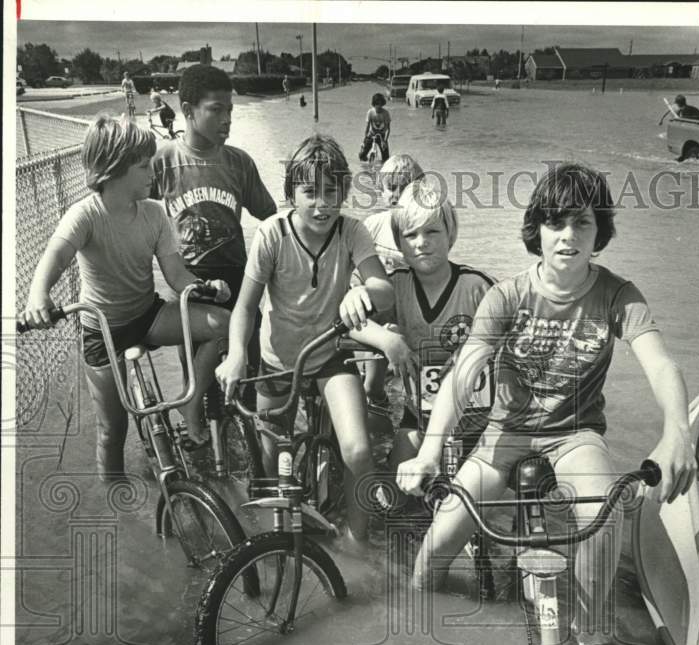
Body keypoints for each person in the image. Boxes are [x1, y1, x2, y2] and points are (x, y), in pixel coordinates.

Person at [396, 162, 697, 645]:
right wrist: (428, 451)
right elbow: (462, 376)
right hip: (504, 434)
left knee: (605, 514)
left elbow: (661, 363)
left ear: (600, 230)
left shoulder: (619, 295)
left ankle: (593, 629)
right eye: (556, 223)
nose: (569, 236)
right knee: (435, 549)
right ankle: (416, 632)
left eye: (583, 223)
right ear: (536, 230)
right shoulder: (507, 296)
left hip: (576, 435)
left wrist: (677, 433)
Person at [216, 134, 412, 548]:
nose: (322, 204)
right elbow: (245, 308)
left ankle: (357, 547)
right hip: (277, 361)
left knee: (358, 452)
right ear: (290, 194)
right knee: (269, 467)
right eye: (310, 192)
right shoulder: (272, 234)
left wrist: (365, 292)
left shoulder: (352, 231)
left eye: (331, 192)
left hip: (329, 358)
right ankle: (271, 543)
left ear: (344, 193)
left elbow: (385, 289)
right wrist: (236, 355)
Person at [22, 114, 231, 479]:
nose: (153, 173)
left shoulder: (153, 213)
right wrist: (38, 295)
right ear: (113, 170)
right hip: (102, 330)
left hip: (147, 315)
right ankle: (117, 504)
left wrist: (204, 287)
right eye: (143, 166)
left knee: (223, 324)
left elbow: (177, 275)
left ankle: (191, 401)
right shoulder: (85, 215)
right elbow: (55, 256)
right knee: (112, 430)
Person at [150, 64, 277, 402]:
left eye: (231, 110)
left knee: (248, 371)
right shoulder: (163, 162)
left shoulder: (239, 163)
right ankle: (202, 435)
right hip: (188, 282)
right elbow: (136, 215)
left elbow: (272, 217)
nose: (227, 119)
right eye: (216, 109)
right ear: (189, 111)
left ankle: (246, 440)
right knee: (197, 380)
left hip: (238, 278)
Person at [374, 178, 495, 469]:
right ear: (398, 241)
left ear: (450, 234)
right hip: (418, 420)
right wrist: (385, 339)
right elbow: (350, 323)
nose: (421, 242)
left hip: (477, 424)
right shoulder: (395, 287)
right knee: (394, 498)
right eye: (411, 234)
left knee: (472, 502)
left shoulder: (478, 287)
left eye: (432, 231)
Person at [357, 154, 425, 414]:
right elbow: (356, 271)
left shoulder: (421, 228)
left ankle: (411, 404)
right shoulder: (372, 225)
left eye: (404, 187)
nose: (396, 194)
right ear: (381, 191)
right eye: (391, 188)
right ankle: (373, 390)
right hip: (378, 307)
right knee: (385, 326)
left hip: (409, 306)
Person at [359, 93, 391, 163]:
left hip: (382, 137)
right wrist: (365, 139)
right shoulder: (370, 112)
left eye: (380, 104)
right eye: (377, 104)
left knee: (386, 159)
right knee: (362, 156)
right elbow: (367, 127)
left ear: (382, 104)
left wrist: (385, 141)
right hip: (371, 135)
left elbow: (388, 129)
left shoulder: (386, 113)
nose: (379, 106)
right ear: (374, 104)